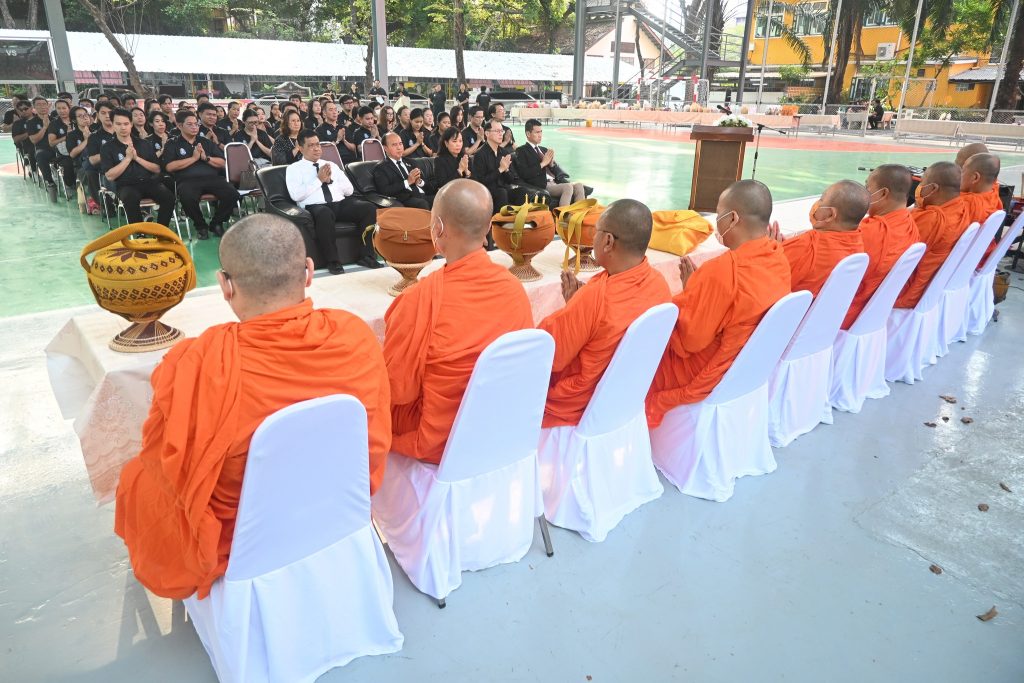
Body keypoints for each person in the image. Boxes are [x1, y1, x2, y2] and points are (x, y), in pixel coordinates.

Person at [114, 213, 392, 600]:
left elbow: (171, 462)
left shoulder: (196, 361)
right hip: (338, 502)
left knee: (136, 478)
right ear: (309, 271)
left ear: (225, 285)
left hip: (242, 534)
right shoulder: (354, 335)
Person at [383, 179, 533, 463]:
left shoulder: (417, 299)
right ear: (489, 228)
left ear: (437, 228)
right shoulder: (514, 290)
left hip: (440, 441)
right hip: (499, 427)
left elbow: (396, 389)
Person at [646, 180, 792, 426]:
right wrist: (699, 290)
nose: (716, 221)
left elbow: (688, 341)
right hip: (747, 365)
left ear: (733, 218)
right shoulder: (778, 256)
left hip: (705, 373)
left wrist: (693, 291)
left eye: (719, 214)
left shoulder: (722, 271)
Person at [538, 199, 671, 427]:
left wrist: (576, 308)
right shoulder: (659, 285)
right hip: (624, 397)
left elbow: (548, 356)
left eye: (597, 232)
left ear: (608, 241)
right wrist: (577, 306)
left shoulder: (595, 298)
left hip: (578, 406)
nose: (594, 239)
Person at [285, 130, 382, 274]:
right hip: (316, 206)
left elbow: (349, 190)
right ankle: (333, 261)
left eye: (318, 144)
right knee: (324, 213)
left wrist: (330, 181)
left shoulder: (331, 165)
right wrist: (318, 180)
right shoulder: (294, 169)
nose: (317, 148)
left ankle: (367, 255)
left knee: (367, 208)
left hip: (339, 203)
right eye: (311, 145)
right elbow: (296, 195)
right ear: (300, 147)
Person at [842, 164, 920, 329]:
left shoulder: (869, 231)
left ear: (883, 193)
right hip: (875, 310)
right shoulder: (909, 224)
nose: (864, 193)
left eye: (867, 187)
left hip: (849, 311)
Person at [894, 162, 972, 309]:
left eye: (923, 182)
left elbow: (894, 252)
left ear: (934, 188)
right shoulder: (960, 208)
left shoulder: (933, 219)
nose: (919, 187)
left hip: (907, 290)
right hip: (931, 286)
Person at [771, 180, 868, 296]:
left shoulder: (807, 246)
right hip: (822, 311)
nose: (817, 203)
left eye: (821, 199)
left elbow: (766, 276)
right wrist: (788, 246)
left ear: (831, 215)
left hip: (791, 312)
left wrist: (771, 249)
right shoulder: (857, 242)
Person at [165, 110, 241, 240]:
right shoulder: (172, 143)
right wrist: (194, 159)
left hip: (212, 178)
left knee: (233, 194)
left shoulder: (205, 142)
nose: (194, 127)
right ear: (179, 126)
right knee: (187, 197)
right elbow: (169, 167)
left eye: (196, 124)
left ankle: (216, 223)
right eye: (190, 124)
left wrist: (206, 158)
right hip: (187, 181)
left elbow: (222, 162)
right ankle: (200, 226)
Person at [101, 108, 175, 226]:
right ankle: (140, 234)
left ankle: (161, 230)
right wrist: (128, 159)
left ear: (131, 124)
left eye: (126, 124)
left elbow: (156, 168)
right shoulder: (107, 147)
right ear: (113, 125)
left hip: (149, 182)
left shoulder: (144, 143)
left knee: (169, 197)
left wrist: (137, 158)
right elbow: (110, 176)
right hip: (126, 185)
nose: (123, 127)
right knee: (131, 199)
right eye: (118, 124)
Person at [514, 119, 586, 207]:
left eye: (541, 132)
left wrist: (551, 165)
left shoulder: (544, 149)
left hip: (554, 182)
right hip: (542, 184)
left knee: (579, 185)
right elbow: (524, 174)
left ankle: (579, 213)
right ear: (528, 134)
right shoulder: (522, 151)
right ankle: (563, 215)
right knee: (568, 187)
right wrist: (543, 163)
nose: (540, 135)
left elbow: (556, 172)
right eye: (537, 132)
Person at [960, 152, 1004, 267]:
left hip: (964, 262)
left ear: (975, 177)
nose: (958, 175)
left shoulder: (965, 204)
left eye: (962, 170)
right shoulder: (993, 192)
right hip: (982, 256)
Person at [372, 131, 433, 210]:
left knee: (441, 198)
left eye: (400, 144)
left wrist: (420, 182)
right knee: (422, 203)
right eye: (394, 145)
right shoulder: (380, 168)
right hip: (405, 199)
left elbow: (428, 185)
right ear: (385, 148)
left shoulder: (411, 162)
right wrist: (408, 182)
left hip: (422, 195)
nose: (399, 147)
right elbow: (385, 191)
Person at [472, 118, 520, 212]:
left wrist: (506, 170)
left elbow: (511, 179)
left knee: (523, 193)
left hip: (504, 188)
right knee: (501, 193)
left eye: (501, 131)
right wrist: (500, 169)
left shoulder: (504, 152)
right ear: (487, 134)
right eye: (497, 131)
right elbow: (481, 181)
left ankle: (521, 222)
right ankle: (499, 223)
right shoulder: (479, 154)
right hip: (487, 191)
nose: (501, 134)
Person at [67, 106, 101, 215]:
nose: (84, 118)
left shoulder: (98, 130)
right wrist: (87, 140)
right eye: (80, 116)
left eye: (86, 115)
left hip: (101, 162)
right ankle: (95, 201)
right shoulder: (72, 135)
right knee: (89, 172)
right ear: (74, 120)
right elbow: (72, 154)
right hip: (81, 166)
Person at [44, 98, 77, 193]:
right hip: (64, 154)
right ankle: (70, 185)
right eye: (59, 108)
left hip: (79, 149)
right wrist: (66, 136)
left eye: (64, 108)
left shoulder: (76, 120)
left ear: (69, 108)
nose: (61, 111)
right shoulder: (54, 124)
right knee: (68, 163)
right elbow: (51, 143)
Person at [28, 97, 57, 198]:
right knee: (40, 155)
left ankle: (71, 183)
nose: (42, 107)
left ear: (47, 105)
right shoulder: (31, 122)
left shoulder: (55, 120)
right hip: (44, 150)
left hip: (57, 148)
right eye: (39, 105)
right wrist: (44, 127)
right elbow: (34, 140)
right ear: (34, 107)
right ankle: (50, 182)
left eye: (44, 104)